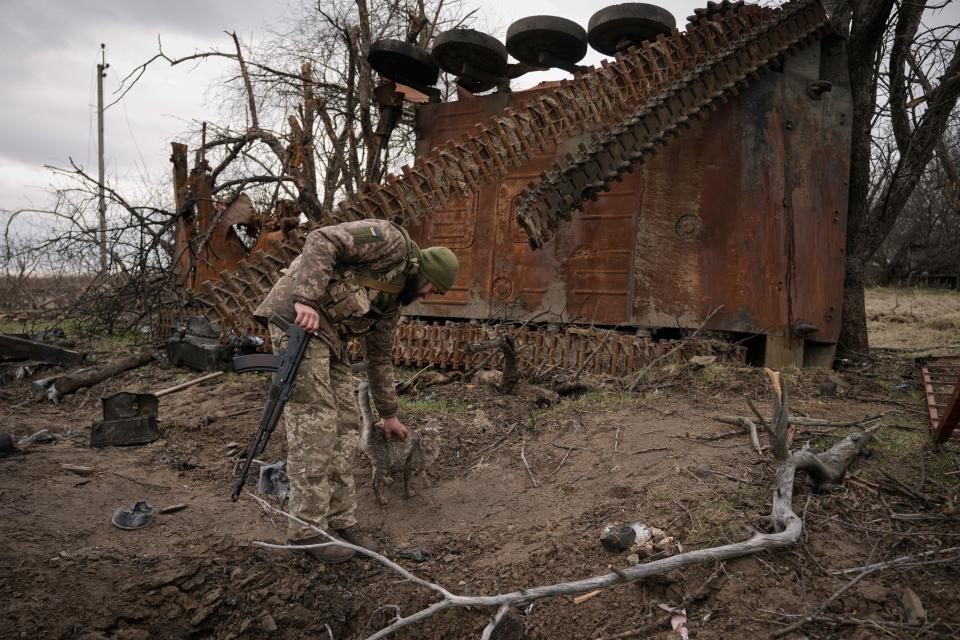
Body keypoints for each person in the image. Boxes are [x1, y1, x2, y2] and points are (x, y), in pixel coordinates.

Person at [253, 219, 459, 562]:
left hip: (329, 335)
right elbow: (321, 239)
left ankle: (340, 520)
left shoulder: (392, 300)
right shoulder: (390, 242)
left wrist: (389, 414)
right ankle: (307, 531)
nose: (426, 296)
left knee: (347, 423)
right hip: (296, 317)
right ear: (422, 270)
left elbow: (379, 357)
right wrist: (306, 298)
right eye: (430, 288)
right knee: (315, 422)